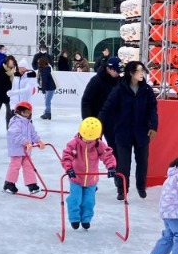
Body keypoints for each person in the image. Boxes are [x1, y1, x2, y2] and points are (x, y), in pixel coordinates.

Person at [100, 60, 159, 201]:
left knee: (142, 161)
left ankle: (141, 186)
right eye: (139, 71)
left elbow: (152, 109)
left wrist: (153, 127)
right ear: (131, 73)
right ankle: (122, 189)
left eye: (143, 71)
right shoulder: (119, 89)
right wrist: (98, 125)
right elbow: (107, 108)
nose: (142, 74)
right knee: (123, 164)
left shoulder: (146, 90)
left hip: (142, 132)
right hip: (123, 132)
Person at [60, 117, 118, 230]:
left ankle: (86, 219)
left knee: (89, 201)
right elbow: (66, 157)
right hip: (76, 178)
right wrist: (68, 168)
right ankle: (74, 219)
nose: (87, 141)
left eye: (90, 139)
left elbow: (107, 156)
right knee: (75, 199)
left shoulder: (98, 145)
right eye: (85, 137)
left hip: (91, 180)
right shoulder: (74, 144)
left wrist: (111, 167)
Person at [4, 100, 45, 195]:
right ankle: (9, 183)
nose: (27, 114)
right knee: (15, 166)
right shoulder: (15, 122)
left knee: (29, 166)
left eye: (28, 113)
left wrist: (39, 141)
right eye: (25, 112)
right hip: (17, 149)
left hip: (26, 150)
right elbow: (15, 135)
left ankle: (32, 185)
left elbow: (33, 134)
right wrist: (26, 142)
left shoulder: (28, 123)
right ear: (19, 111)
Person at [81, 56, 121, 120]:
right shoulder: (96, 80)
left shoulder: (120, 81)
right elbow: (86, 100)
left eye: (119, 70)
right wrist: (87, 119)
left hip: (114, 121)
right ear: (108, 68)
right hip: (97, 120)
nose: (117, 73)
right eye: (115, 70)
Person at [36, 54, 57, 120]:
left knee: (47, 100)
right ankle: (47, 113)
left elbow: (44, 80)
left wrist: (43, 89)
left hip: (50, 87)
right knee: (47, 100)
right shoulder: (43, 69)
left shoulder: (45, 69)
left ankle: (48, 113)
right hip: (49, 87)